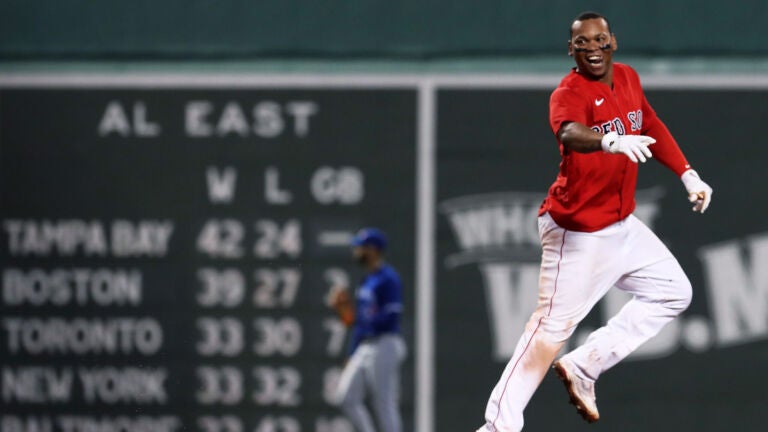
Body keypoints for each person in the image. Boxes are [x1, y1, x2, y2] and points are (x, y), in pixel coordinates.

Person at [477, 11, 713, 431]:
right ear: (571, 50)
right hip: (577, 232)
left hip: (622, 227)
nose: (592, 49)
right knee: (547, 334)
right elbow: (568, 132)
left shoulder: (627, 78)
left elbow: (651, 122)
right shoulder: (569, 91)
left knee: (674, 291)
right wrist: (609, 139)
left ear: (613, 42)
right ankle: (497, 426)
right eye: (582, 43)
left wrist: (686, 172)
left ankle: (586, 365)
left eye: (599, 40)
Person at [327, 227, 406, 432]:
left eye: (361, 247)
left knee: (384, 402)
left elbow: (391, 316)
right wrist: (352, 352)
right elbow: (357, 322)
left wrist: (363, 321)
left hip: (385, 343)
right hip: (366, 345)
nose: (357, 252)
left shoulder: (388, 278)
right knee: (346, 398)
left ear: (373, 249)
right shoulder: (366, 281)